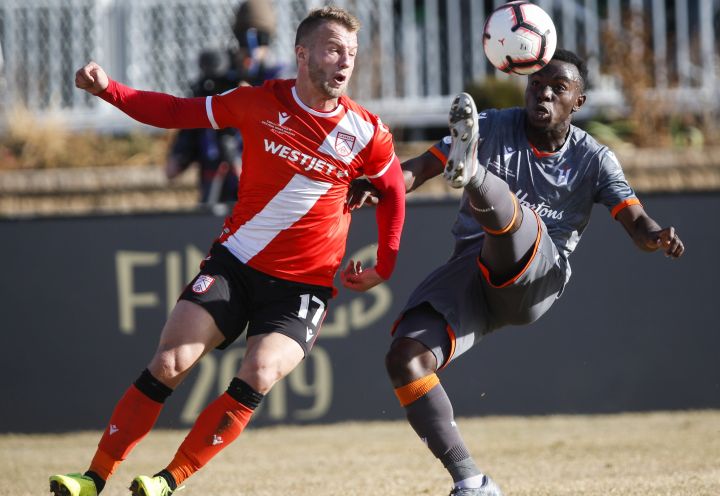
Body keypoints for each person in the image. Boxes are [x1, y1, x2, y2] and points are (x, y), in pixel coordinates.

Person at [50, 6, 405, 496]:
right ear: (302, 55)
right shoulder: (256, 102)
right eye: (332, 49)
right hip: (235, 265)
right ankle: (93, 478)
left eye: (351, 53)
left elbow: (393, 191)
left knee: (258, 371)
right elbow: (176, 112)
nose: (344, 62)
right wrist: (108, 88)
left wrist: (385, 265)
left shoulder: (367, 131)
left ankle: (166, 480)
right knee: (170, 363)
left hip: (302, 287)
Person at [352, 48, 684, 496]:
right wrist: (380, 187)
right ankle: (473, 482)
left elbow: (635, 220)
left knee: (515, 216)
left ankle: (474, 177)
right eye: (536, 85)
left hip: (538, 274)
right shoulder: (493, 125)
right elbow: (420, 168)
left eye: (557, 88)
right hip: (474, 268)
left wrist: (655, 236)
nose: (543, 93)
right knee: (406, 359)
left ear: (578, 103)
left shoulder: (595, 159)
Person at [165, 49, 243, 205]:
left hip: (243, 205)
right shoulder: (200, 121)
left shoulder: (248, 114)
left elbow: (258, 182)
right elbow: (171, 172)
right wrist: (186, 148)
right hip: (209, 200)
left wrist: (233, 155)